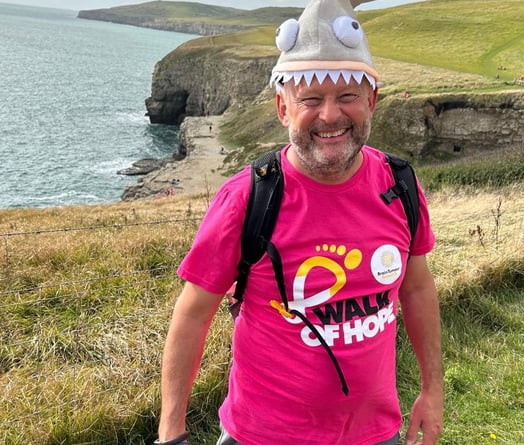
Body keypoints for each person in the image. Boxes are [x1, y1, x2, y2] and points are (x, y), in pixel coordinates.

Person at [156, 1, 443, 444]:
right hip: (261, 435)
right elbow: (193, 314)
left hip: (374, 434)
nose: (330, 116)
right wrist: (171, 432)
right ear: (282, 108)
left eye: (347, 96)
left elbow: (417, 287)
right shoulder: (247, 198)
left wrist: (432, 390)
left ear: (372, 100)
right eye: (310, 99)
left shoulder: (401, 184)